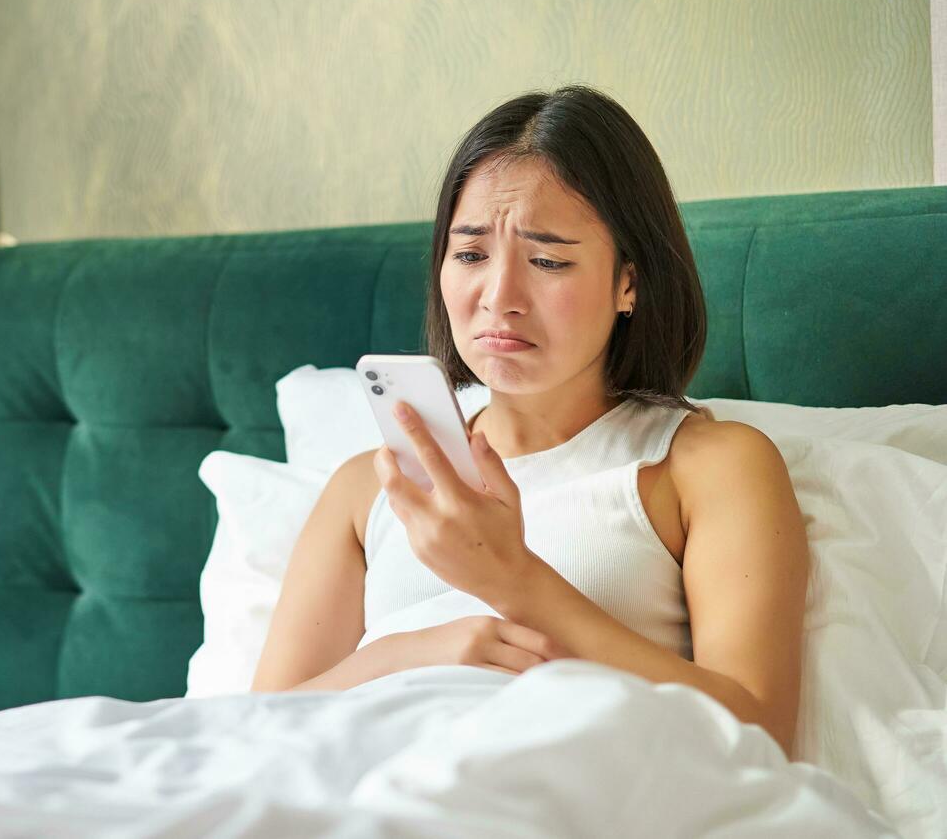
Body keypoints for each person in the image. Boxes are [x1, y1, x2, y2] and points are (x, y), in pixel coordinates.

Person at [249, 85, 808, 760]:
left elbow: (758, 731)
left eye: (547, 260)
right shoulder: (370, 488)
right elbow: (257, 725)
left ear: (629, 281)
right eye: (471, 254)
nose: (499, 298)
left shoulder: (707, 466)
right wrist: (416, 652)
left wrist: (514, 582)